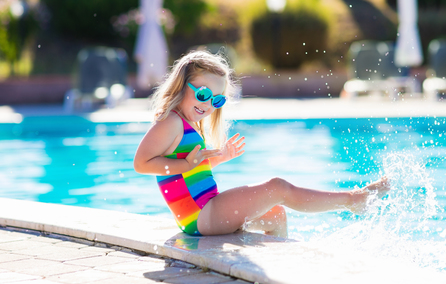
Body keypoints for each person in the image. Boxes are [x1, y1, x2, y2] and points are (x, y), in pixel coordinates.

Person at [134, 50, 390, 238]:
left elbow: (190, 170)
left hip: (205, 211)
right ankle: (352, 200)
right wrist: (186, 163)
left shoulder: (185, 124)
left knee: (276, 214)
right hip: (201, 216)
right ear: (182, 85)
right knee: (277, 187)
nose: (208, 105)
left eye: (217, 101)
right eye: (203, 94)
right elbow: (142, 164)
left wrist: (218, 157)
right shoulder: (171, 122)